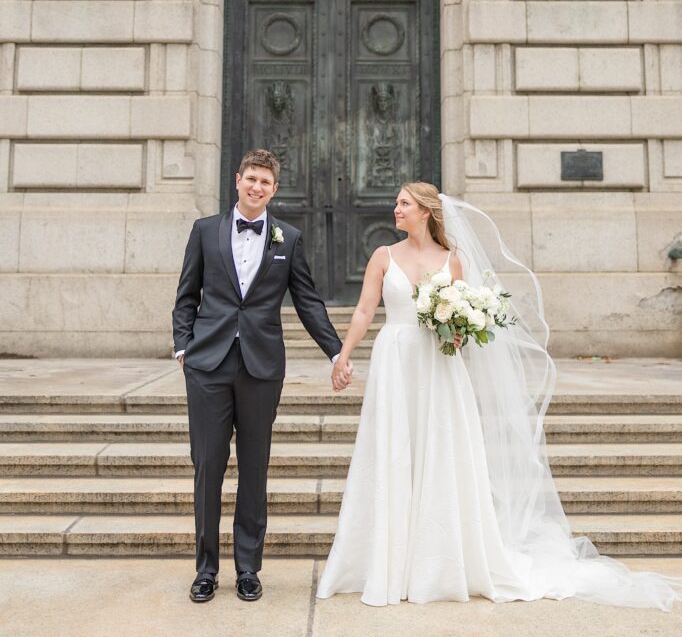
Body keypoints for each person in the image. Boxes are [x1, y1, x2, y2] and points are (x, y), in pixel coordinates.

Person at [318, 182, 682, 610]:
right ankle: (387, 561)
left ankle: (437, 563)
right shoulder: (383, 256)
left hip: (438, 365)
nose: (395, 209)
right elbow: (364, 310)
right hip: (395, 360)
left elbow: (464, 317)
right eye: (396, 202)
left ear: (426, 212)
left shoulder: (454, 260)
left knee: (440, 451)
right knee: (394, 452)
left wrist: (457, 333)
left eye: (404, 204)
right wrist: (342, 356)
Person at [172, 149, 351, 605]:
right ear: (237, 180)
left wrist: (336, 351)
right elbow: (186, 293)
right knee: (208, 466)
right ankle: (206, 569)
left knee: (254, 469)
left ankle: (248, 568)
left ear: (274, 189)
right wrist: (183, 345)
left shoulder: (287, 238)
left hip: (261, 369)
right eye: (251, 179)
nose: (257, 187)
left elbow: (308, 301)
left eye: (265, 183)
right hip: (208, 365)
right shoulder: (204, 231)